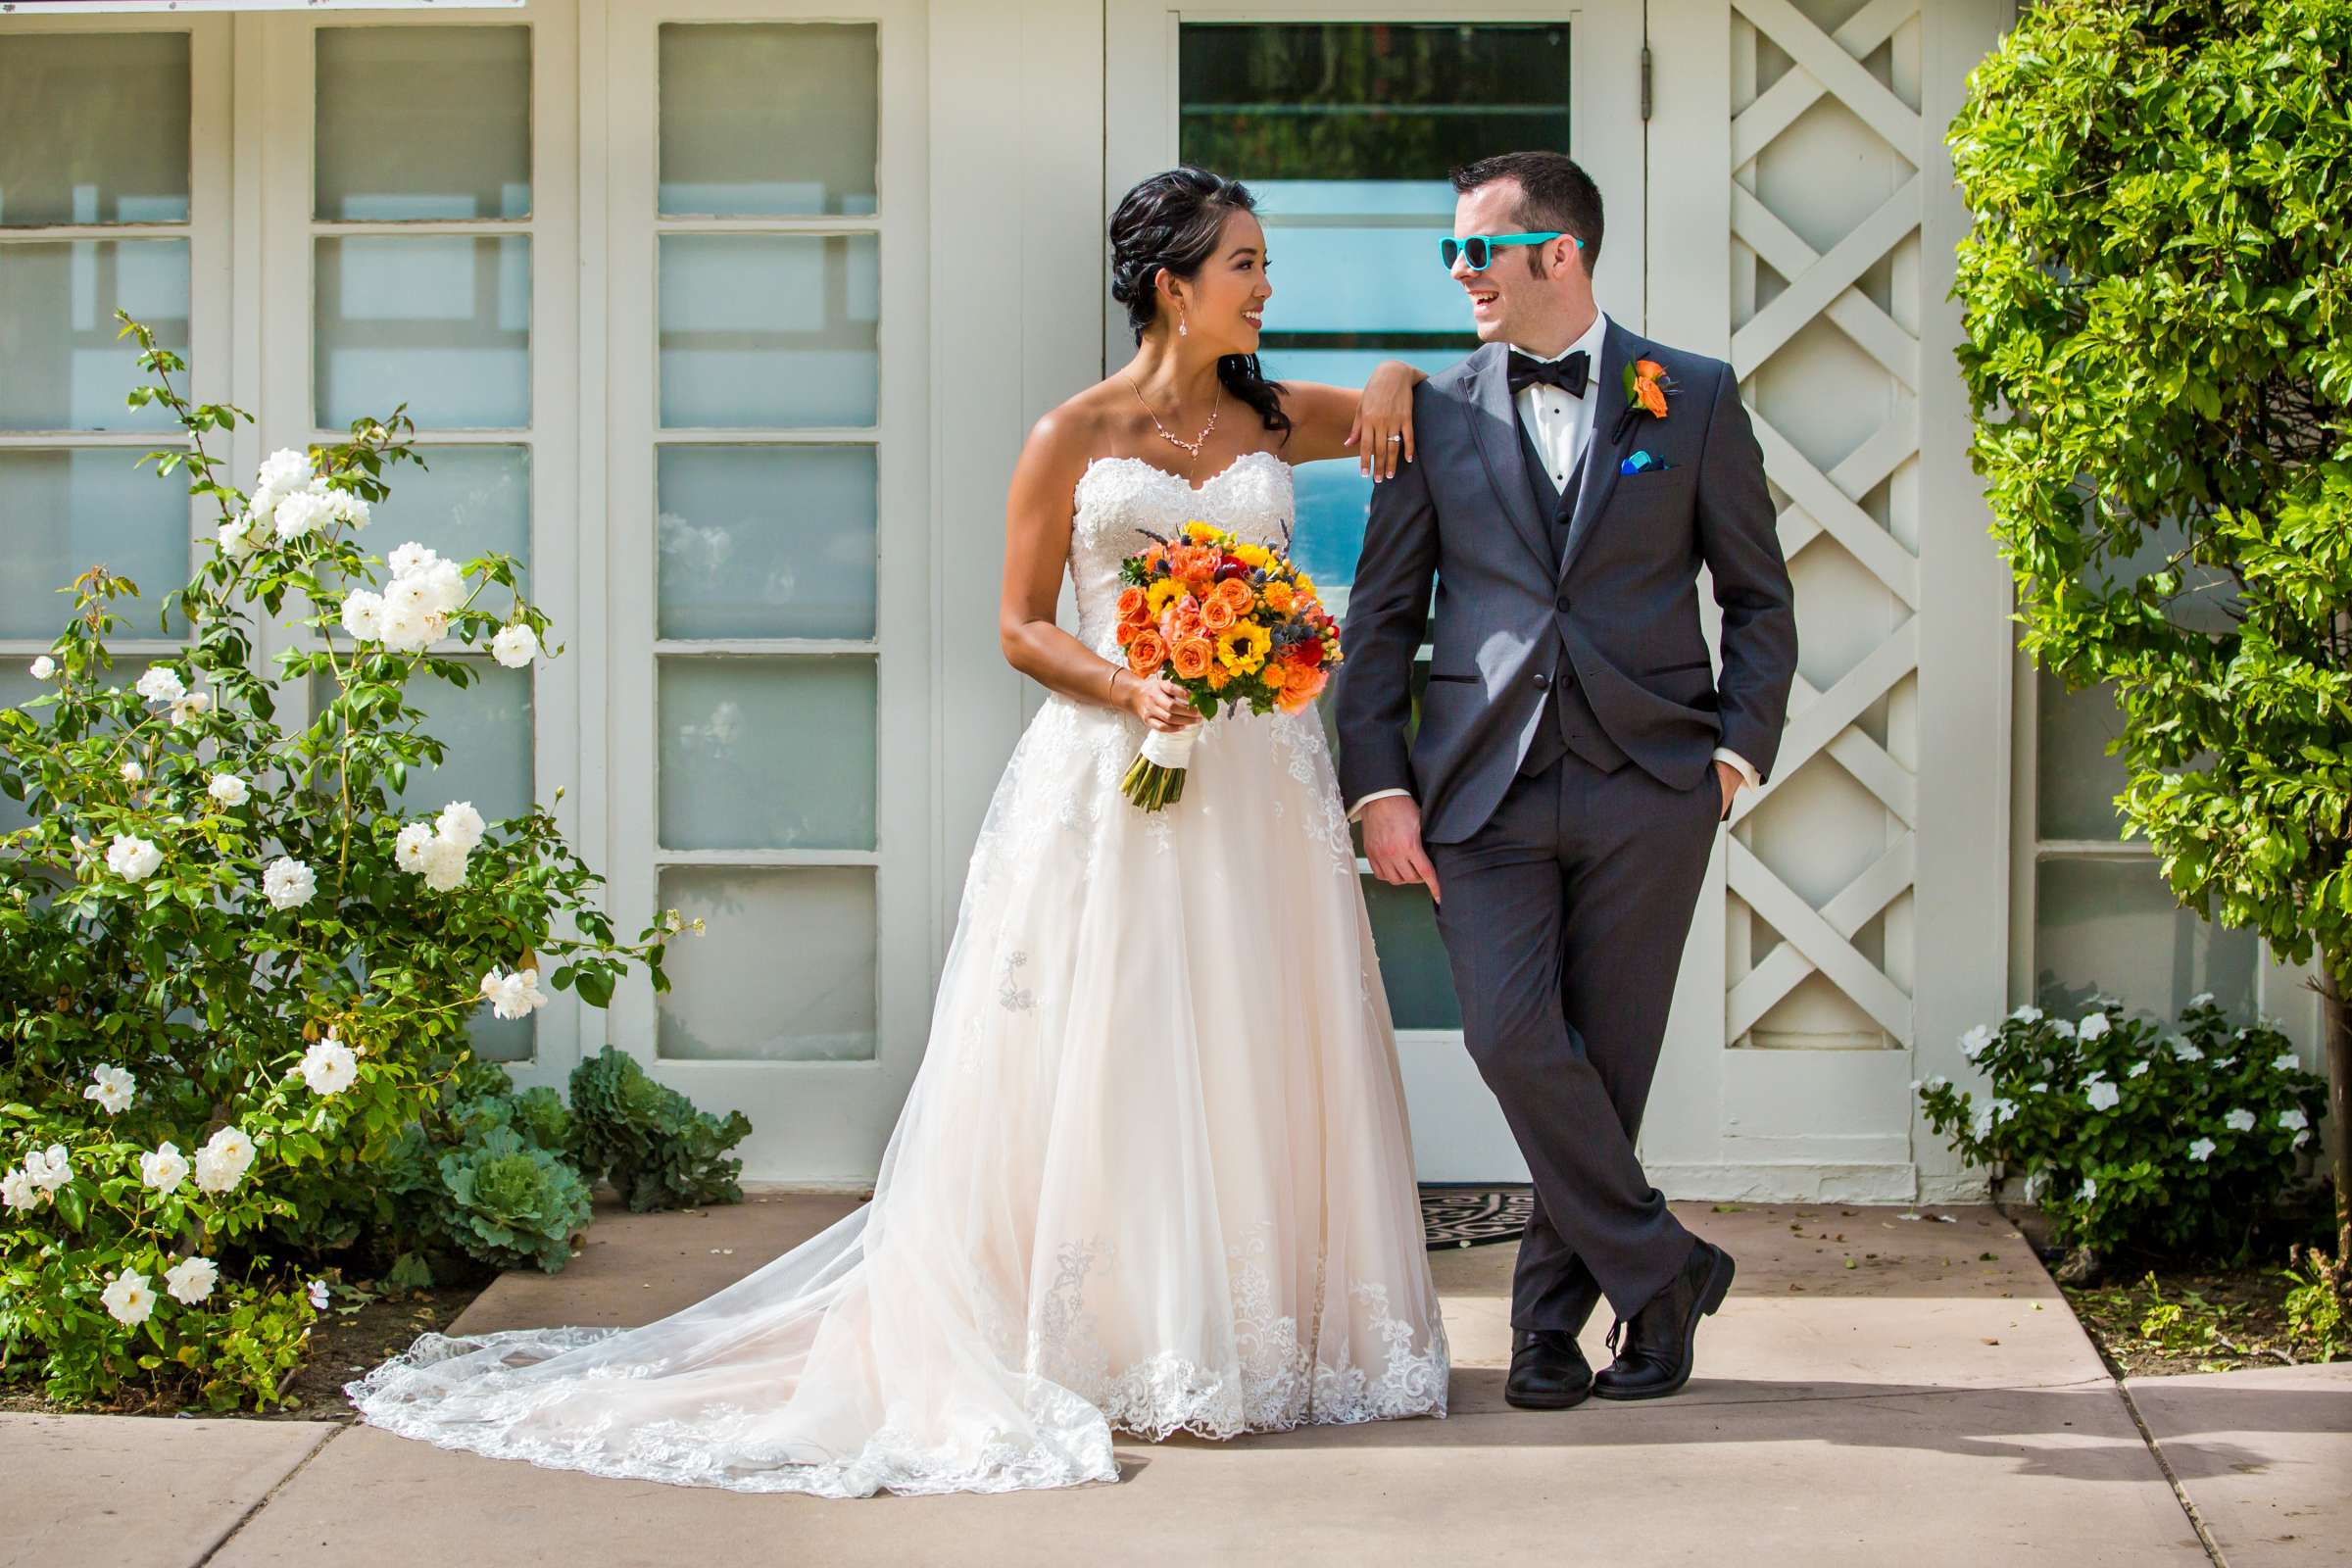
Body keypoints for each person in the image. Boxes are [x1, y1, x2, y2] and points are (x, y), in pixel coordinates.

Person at [345, 165, 1450, 1497]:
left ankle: (1260, 1336)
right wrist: (1129, 681)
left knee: (1257, 1035)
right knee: (1118, 1042)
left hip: (1259, 786)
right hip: (1116, 774)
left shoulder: (1276, 419)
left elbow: (1424, 415)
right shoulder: (1074, 436)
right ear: (1174, 284)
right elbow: (1020, 624)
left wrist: (1392, 374)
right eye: (1248, 266)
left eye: (1266, 265)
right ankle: (1117, 1336)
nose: (1269, 287)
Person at [1334, 151, 1797, 1411]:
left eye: (1478, 249)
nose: (1460, 273)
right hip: (1477, 789)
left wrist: (1733, 752)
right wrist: (1377, 786)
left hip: (1651, 782)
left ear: (1560, 254)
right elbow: (1381, 621)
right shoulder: (1428, 411)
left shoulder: (1690, 397)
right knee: (1513, 1036)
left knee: (1611, 1063)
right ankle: (1667, 1267)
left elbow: (1756, 595)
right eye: (1453, 251)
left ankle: (1548, 1332)